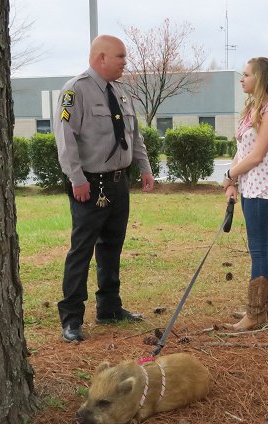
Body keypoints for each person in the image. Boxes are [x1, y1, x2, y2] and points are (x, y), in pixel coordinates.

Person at [53, 35, 155, 343]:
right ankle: (71, 319)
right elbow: (65, 138)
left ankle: (109, 308)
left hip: (118, 183)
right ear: (101, 58)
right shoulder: (75, 90)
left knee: (112, 247)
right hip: (90, 184)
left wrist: (144, 166)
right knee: (81, 250)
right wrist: (76, 178)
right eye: (121, 56)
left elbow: (132, 134)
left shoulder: (122, 92)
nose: (126, 62)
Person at [221, 57, 268, 331]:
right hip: (249, 185)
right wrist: (232, 182)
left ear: (260, 78)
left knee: (259, 247)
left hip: (262, 186)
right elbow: (242, 151)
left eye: (246, 75)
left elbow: (258, 155)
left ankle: (255, 313)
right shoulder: (254, 108)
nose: (242, 79)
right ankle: (264, 306)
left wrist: (229, 176)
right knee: (263, 245)